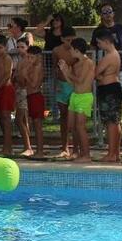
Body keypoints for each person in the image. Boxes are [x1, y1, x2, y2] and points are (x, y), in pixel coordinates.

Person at [60, 37, 93, 163]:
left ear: (76, 49)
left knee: (80, 127)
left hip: (84, 97)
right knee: (72, 126)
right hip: (75, 95)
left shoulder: (87, 62)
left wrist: (67, 72)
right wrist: (64, 71)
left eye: (71, 49)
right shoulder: (76, 63)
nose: (70, 52)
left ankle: (87, 155)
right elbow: (71, 82)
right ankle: (77, 152)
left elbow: (80, 80)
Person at [93, 29, 122, 162]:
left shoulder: (109, 56)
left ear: (106, 42)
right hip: (114, 88)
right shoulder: (116, 54)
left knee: (110, 123)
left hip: (108, 90)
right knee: (116, 122)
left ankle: (111, 154)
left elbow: (95, 73)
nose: (98, 46)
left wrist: (100, 77)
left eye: (99, 43)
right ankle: (116, 153)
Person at [90, 5, 122, 94]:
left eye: (109, 11)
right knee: (104, 92)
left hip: (121, 66)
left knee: (120, 93)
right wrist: (93, 64)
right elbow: (92, 47)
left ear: (113, 13)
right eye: (104, 13)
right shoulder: (98, 30)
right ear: (101, 15)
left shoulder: (120, 28)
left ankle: (120, 108)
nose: (107, 14)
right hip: (103, 67)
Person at [52, 27, 78, 158]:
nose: (70, 42)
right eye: (68, 40)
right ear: (62, 39)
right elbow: (53, 68)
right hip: (62, 85)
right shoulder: (56, 51)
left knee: (74, 118)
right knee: (64, 117)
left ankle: (76, 148)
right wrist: (56, 83)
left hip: (73, 85)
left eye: (72, 40)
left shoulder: (77, 50)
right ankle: (64, 146)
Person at [11, 35, 36, 157]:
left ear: (28, 47)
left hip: (25, 92)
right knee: (24, 120)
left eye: (22, 47)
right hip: (19, 92)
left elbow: (27, 79)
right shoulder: (20, 61)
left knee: (19, 120)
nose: (20, 49)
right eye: (18, 47)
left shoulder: (30, 61)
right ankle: (28, 146)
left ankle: (28, 147)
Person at [22, 44, 47, 158]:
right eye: (28, 57)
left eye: (31, 57)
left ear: (38, 57)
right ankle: (38, 150)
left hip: (36, 96)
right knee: (35, 124)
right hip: (31, 96)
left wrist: (26, 75)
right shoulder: (32, 67)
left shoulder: (38, 67)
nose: (29, 60)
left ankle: (40, 151)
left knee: (38, 125)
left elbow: (34, 84)